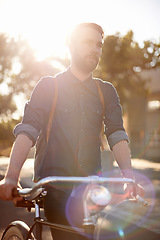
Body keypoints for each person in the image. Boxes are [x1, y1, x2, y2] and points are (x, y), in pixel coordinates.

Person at [0, 23, 144, 239]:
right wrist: (11, 177)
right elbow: (28, 130)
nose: (95, 49)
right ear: (71, 45)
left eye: (99, 45)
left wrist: (129, 177)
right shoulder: (49, 86)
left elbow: (116, 134)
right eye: (88, 42)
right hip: (54, 187)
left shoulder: (106, 91)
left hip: (91, 189)